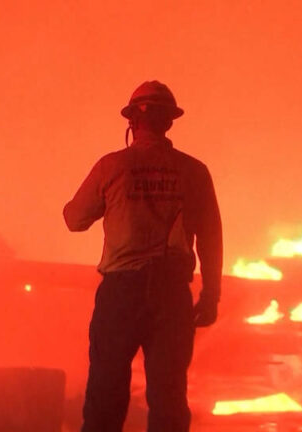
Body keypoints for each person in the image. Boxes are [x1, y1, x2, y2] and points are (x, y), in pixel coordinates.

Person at [63, 81, 222, 432]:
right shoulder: (194, 171)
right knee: (168, 399)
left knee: (106, 393)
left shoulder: (111, 166)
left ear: (132, 121)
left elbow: (74, 220)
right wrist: (211, 294)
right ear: (169, 122)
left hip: (121, 292)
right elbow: (211, 237)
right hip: (172, 295)